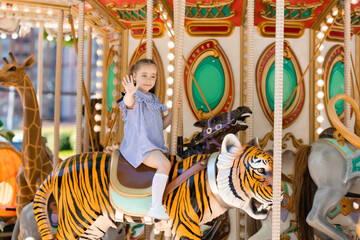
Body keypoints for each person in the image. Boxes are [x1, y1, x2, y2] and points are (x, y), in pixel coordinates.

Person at [119, 58, 176, 220]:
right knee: (164, 164)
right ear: (134, 76)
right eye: (144, 75)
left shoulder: (154, 100)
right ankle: (156, 207)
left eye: (153, 76)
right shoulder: (133, 97)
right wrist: (129, 92)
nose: (149, 80)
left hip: (154, 146)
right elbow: (128, 103)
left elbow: (161, 125)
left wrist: (173, 113)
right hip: (140, 147)